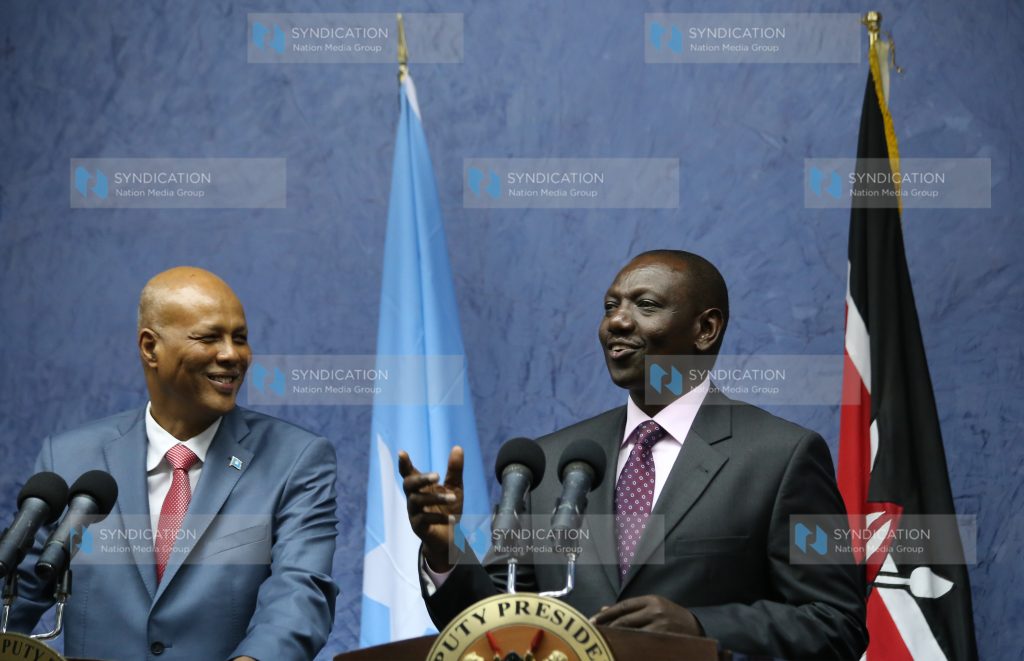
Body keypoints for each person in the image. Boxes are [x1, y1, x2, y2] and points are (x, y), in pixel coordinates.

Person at [400, 250, 868, 659]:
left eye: (645, 305)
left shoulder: (783, 456)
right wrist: (444, 551)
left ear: (705, 329)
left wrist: (701, 627)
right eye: (610, 306)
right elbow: (499, 622)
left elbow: (835, 624)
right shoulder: (550, 463)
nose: (616, 322)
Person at [5, 267, 338, 660]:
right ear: (150, 348)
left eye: (241, 338)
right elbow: (16, 599)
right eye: (210, 337)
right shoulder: (70, 459)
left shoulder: (296, 460)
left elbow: (299, 594)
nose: (232, 355)